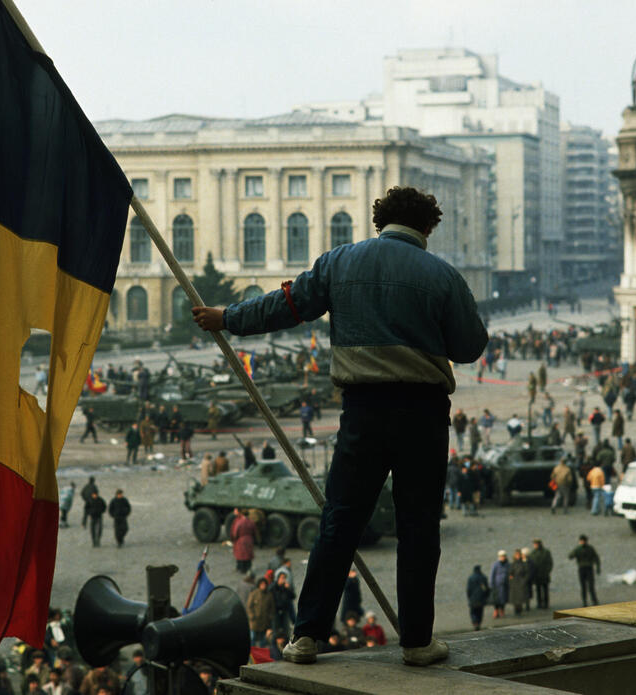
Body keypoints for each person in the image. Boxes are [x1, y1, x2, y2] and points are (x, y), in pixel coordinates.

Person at [191, 186, 488, 667]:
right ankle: (416, 642)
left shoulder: (339, 262)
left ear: (379, 221)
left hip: (362, 412)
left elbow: (285, 306)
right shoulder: (444, 276)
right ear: (427, 227)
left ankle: (307, 636)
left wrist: (228, 318)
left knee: (339, 523)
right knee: (418, 529)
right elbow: (471, 345)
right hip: (422, 414)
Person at [569, 535, 600, 607]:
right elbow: (570, 556)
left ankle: (594, 600)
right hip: (582, 569)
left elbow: (596, 558)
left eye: (582, 541)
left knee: (591, 586)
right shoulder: (579, 549)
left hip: (588, 568)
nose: (582, 542)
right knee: (583, 586)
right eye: (581, 541)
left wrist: (598, 567)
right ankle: (585, 601)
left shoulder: (589, 548)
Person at [530, 539, 553, 610]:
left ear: (540, 544)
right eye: (534, 544)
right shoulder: (532, 553)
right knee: (538, 590)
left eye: (536, 544)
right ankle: (539, 603)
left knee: (545, 590)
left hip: (544, 574)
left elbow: (550, 563)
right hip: (536, 575)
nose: (535, 545)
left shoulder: (546, 552)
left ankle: (546, 603)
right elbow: (530, 564)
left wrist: (548, 571)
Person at [465, 565, 489, 631]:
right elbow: (486, 589)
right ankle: (478, 623)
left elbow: (468, 590)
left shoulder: (471, 578)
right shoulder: (483, 577)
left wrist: (469, 597)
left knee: (473, 612)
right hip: (481, 599)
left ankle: (475, 623)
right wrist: (486, 597)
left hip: (473, 599)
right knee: (480, 612)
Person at [508, 549, 531, 616]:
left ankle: (519, 611)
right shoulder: (513, 564)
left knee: (520, 598)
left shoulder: (523, 564)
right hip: (514, 583)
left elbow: (527, 573)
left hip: (521, 582)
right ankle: (516, 611)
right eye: (516, 555)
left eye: (518, 555)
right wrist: (510, 578)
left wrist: (524, 581)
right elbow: (510, 572)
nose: (517, 556)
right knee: (515, 598)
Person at [489, 550, 510, 619]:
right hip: (497, 585)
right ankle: (496, 611)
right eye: (501, 556)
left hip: (505, 585)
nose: (503, 558)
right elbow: (492, 575)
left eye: (504, 556)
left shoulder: (508, 564)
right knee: (496, 599)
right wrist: (492, 584)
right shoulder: (495, 564)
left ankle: (502, 610)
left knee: (504, 599)